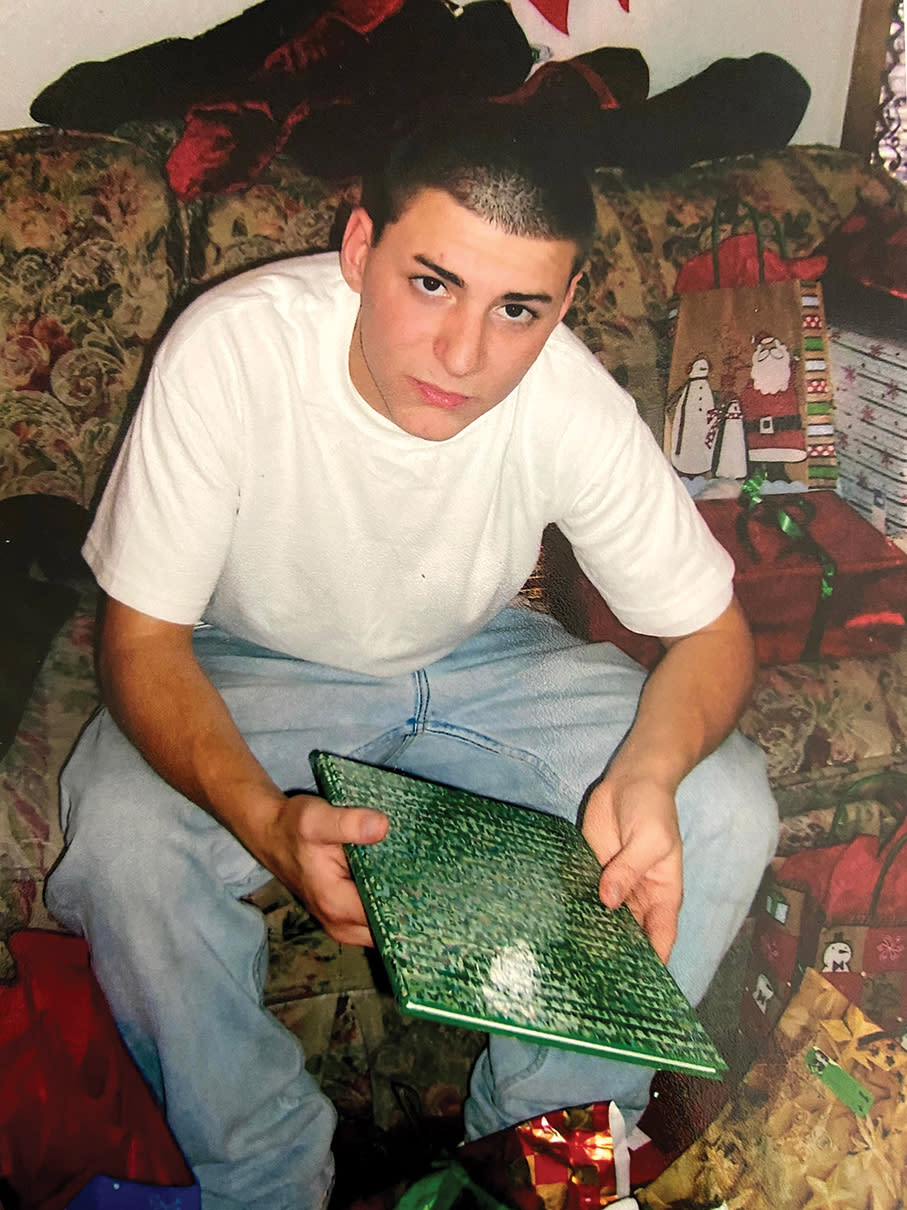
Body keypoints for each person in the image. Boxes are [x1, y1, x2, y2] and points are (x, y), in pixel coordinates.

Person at [45, 104, 778, 1210]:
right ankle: (265, 1172)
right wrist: (263, 821)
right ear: (357, 250)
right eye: (430, 283)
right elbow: (140, 639)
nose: (464, 354)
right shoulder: (233, 348)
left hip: (485, 652)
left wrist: (652, 770)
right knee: (118, 841)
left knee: (726, 803)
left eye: (517, 308)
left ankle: (533, 1161)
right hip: (251, 659)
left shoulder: (565, 395)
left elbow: (712, 632)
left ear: (564, 305)